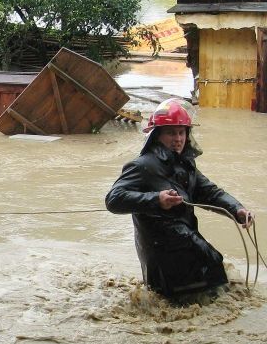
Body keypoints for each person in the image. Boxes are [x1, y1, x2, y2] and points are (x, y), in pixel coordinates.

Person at [105, 99, 253, 300]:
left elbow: (210, 193)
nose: (178, 139)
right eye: (171, 133)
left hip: (185, 241)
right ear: (157, 135)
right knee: (200, 284)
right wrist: (157, 199)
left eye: (182, 132)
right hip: (161, 250)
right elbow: (114, 199)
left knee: (213, 274)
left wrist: (237, 210)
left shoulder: (186, 164)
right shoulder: (142, 166)